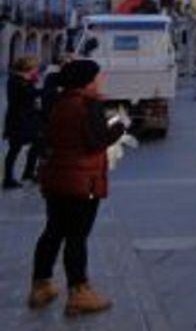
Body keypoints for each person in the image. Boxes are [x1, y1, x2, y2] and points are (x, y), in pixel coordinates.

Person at [29, 59, 125, 315]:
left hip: (57, 177)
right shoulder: (88, 105)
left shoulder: (59, 102)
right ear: (87, 81)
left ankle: (41, 284)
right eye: (97, 77)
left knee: (53, 231)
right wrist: (118, 126)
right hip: (82, 180)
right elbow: (96, 141)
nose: (100, 81)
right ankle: (79, 291)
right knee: (77, 236)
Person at [4, 56, 43, 189]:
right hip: (18, 120)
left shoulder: (24, 80)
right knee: (14, 149)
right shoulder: (15, 81)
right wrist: (49, 90)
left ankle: (28, 172)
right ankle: (8, 178)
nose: (37, 70)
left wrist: (32, 81)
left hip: (27, 120)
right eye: (34, 68)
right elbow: (29, 94)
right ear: (28, 68)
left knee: (37, 143)